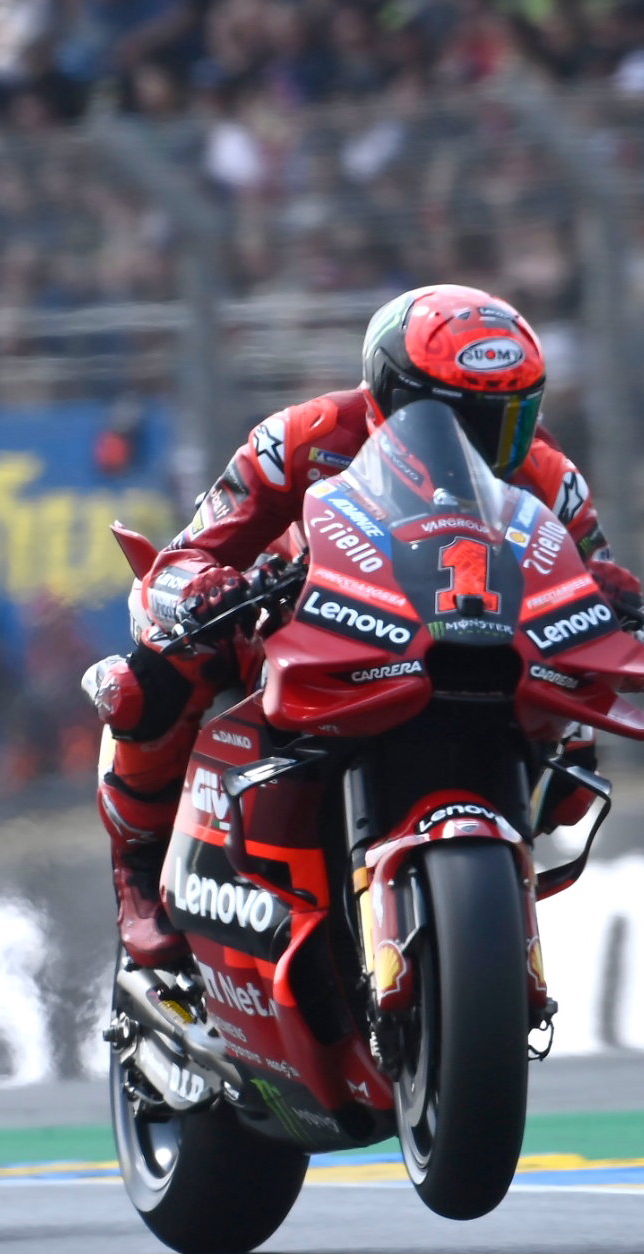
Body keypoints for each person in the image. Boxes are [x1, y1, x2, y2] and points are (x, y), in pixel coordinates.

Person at [90, 283, 643, 968]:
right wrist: (203, 589)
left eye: (505, 417)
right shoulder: (301, 437)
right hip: (301, 633)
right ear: (391, 391)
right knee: (150, 673)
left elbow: (593, 584)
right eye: (459, 417)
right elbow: (183, 558)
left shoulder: (548, 478)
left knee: (572, 771)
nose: (483, 442)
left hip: (474, 649)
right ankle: (137, 871)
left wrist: (616, 598)